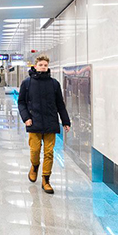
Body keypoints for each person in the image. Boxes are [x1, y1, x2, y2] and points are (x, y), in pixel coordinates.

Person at [17, 55, 71, 194]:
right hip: (33, 122)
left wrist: (65, 121)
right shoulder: (27, 83)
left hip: (50, 123)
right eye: (40, 65)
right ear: (35, 66)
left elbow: (60, 104)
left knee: (49, 153)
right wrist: (26, 118)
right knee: (35, 150)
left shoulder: (54, 84)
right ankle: (35, 166)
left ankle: (46, 180)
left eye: (45, 65)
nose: (43, 67)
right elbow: (21, 102)